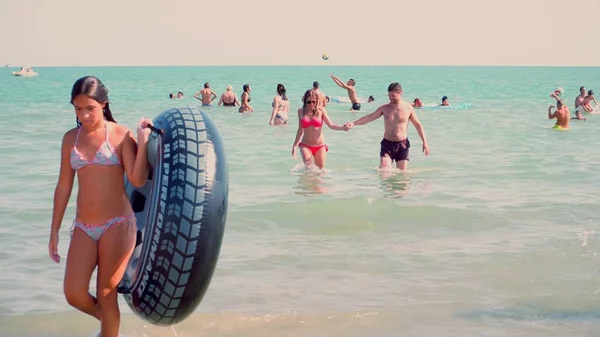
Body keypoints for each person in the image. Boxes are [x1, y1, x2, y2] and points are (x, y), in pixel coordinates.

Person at [48, 76, 153, 337]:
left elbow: (138, 179)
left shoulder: (120, 134)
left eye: (89, 108)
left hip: (117, 224)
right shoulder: (70, 139)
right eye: (77, 108)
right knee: (74, 293)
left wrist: (142, 141)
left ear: (104, 105)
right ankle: (110, 325)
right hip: (84, 226)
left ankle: (109, 326)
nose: (83, 115)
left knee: (107, 294)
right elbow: (63, 187)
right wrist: (54, 232)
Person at [344, 82, 430, 171]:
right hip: (387, 144)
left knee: (402, 175)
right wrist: (353, 123)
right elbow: (370, 117)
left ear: (400, 93)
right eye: (389, 95)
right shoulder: (384, 108)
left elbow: (418, 125)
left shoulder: (408, 108)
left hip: (402, 145)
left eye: (393, 95)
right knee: (384, 171)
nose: (391, 98)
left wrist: (425, 142)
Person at [291, 89, 349, 169]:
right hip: (305, 145)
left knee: (320, 171)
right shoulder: (300, 112)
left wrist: (343, 128)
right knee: (309, 166)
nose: (311, 104)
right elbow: (300, 130)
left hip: (320, 146)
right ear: (305, 101)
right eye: (309, 102)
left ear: (317, 101)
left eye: (314, 102)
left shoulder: (321, 110)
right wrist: (294, 146)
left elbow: (331, 125)